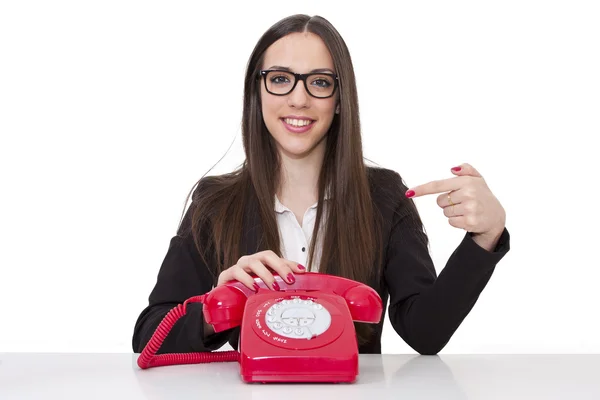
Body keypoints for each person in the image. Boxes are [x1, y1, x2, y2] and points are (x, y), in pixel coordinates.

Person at [132, 14, 510, 356]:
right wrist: (216, 308)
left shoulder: (384, 197)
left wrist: (485, 237)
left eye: (319, 82)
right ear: (256, 92)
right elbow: (148, 336)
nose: (299, 98)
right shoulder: (216, 203)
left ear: (340, 99)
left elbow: (426, 332)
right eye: (280, 79)